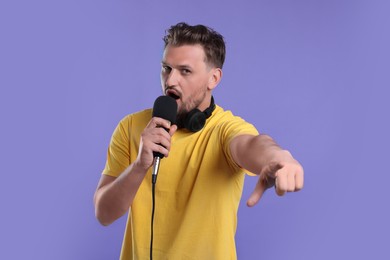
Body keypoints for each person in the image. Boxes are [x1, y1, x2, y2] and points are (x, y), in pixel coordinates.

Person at [94, 22, 304, 259]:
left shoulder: (225, 129)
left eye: (185, 71)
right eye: (166, 68)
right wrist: (140, 166)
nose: (170, 81)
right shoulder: (131, 127)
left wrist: (278, 157)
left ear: (213, 78)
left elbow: (253, 144)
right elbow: (103, 213)